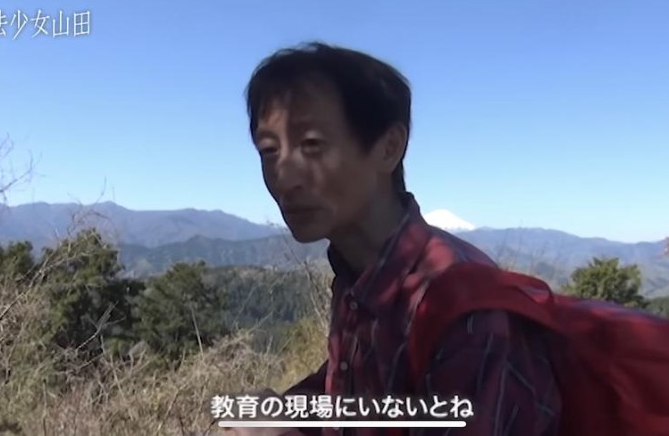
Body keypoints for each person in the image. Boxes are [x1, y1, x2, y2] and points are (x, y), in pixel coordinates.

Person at [228, 42, 561, 436]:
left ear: (388, 148)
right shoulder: (359, 275)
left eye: (311, 145)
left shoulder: (468, 316)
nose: (284, 177)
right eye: (268, 151)